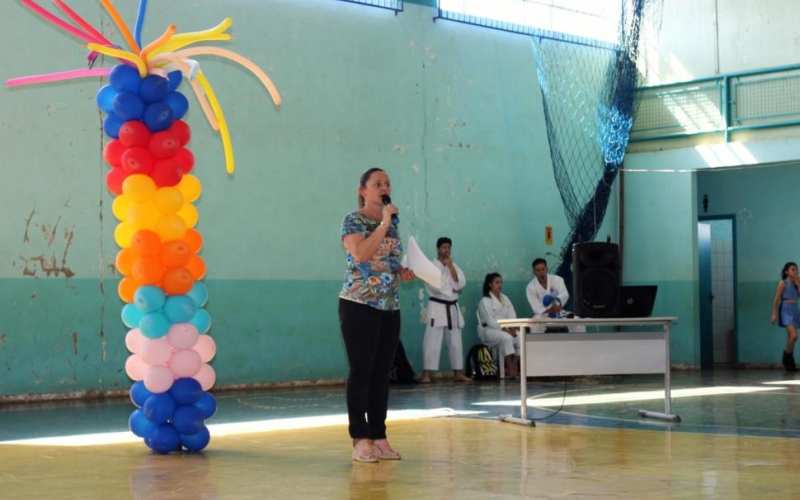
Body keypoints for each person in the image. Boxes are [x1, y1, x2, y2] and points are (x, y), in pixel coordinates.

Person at [339, 167, 416, 463]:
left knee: (382, 374)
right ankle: (360, 438)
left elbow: (388, 260)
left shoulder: (393, 226)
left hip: (389, 307)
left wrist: (403, 271)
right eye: (377, 184)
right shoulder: (353, 220)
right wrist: (383, 225)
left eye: (387, 183)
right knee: (362, 371)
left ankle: (379, 435)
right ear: (364, 191)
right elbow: (360, 254)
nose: (384, 187)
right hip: (359, 305)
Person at [419, 237, 473, 383]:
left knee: (456, 342)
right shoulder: (431, 266)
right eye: (444, 247)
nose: (447, 250)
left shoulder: (454, 266)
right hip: (437, 307)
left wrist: (450, 268)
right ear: (437, 249)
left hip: (452, 308)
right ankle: (426, 374)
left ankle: (457, 373)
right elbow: (436, 288)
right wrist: (454, 290)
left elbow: (460, 283)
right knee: (432, 341)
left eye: (448, 247)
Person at [477, 273, 520, 378]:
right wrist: (505, 329)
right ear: (490, 284)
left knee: (521, 337)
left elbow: (512, 314)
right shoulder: (485, 301)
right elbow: (489, 321)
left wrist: (512, 327)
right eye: (497, 282)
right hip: (490, 330)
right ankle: (509, 368)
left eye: (501, 282)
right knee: (507, 338)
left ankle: (513, 366)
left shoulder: (505, 298)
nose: (499, 285)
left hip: (508, 328)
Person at [526, 257, 583, 333]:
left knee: (577, 321)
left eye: (543, 269)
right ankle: (539, 345)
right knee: (534, 325)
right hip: (543, 315)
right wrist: (551, 309)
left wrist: (555, 302)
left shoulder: (557, 280)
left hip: (559, 312)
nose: (541, 272)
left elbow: (565, 295)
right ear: (534, 271)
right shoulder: (530, 287)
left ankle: (577, 344)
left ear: (547, 269)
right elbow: (536, 308)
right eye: (538, 270)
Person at [770, 262, 800, 372]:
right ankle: (787, 357)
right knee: (794, 336)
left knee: (790, 337)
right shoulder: (783, 283)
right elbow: (776, 298)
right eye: (793, 269)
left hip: (795, 308)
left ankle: (790, 363)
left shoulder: (798, 282)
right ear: (786, 271)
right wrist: (774, 313)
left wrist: (798, 283)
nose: (795, 271)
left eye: (796, 269)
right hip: (785, 309)